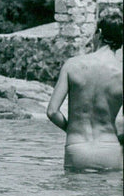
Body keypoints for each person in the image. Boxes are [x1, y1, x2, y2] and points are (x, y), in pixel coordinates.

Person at [46, 9, 123, 172]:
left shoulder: (72, 65)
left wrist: (73, 129)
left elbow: (52, 112)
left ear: (99, 33)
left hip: (77, 149)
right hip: (109, 150)